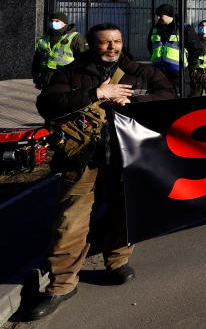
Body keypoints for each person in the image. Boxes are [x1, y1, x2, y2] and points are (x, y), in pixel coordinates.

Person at [29, 23, 174, 320]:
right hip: (83, 158)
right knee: (70, 222)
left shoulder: (140, 72)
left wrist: (134, 101)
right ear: (91, 45)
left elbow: (169, 96)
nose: (112, 47)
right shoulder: (71, 72)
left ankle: (118, 262)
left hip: (126, 158)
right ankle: (62, 285)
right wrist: (95, 93)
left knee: (124, 212)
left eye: (117, 41)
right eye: (105, 42)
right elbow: (47, 103)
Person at [148, 3, 195, 95]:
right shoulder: (155, 29)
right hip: (159, 71)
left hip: (178, 73)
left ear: (169, 15)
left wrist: (190, 65)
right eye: (157, 15)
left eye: (160, 15)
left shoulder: (184, 28)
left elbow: (195, 48)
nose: (158, 18)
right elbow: (150, 46)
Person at [32, 12, 87, 90]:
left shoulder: (75, 38)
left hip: (66, 81)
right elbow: (37, 61)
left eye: (57, 21)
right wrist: (36, 79)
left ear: (65, 23)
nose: (53, 23)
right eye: (51, 21)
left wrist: (79, 81)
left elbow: (84, 61)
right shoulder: (44, 39)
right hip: (46, 80)